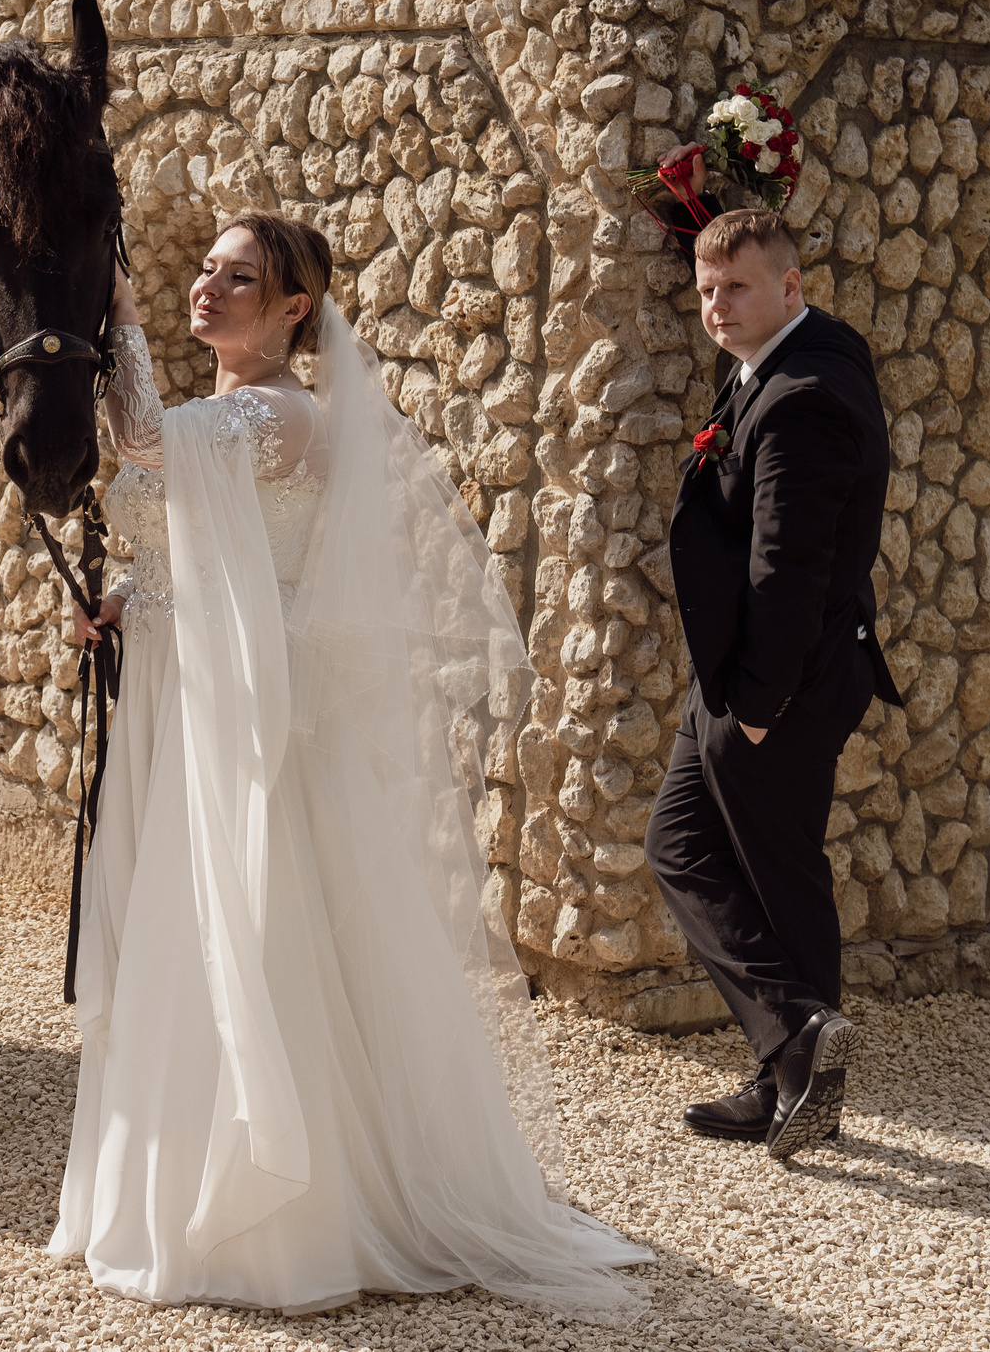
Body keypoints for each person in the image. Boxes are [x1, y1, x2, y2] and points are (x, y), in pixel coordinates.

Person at [49, 213, 651, 1317]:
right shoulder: (228, 414)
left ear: (293, 309)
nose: (208, 288)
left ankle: (287, 1206)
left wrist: (118, 315)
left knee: (248, 905)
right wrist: (128, 598)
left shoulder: (278, 413)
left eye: (240, 278)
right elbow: (190, 540)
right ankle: (171, 1173)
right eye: (206, 272)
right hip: (183, 688)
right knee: (186, 906)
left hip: (243, 701)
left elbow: (139, 443)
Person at [645, 208, 901, 1160]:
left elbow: (787, 568)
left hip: (774, 684)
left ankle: (793, 1056)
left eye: (737, 287)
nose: (717, 306)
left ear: (790, 286)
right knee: (686, 844)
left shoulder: (804, 394)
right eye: (707, 290)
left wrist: (756, 704)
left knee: (776, 870)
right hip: (741, 674)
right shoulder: (800, 356)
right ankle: (791, 1050)